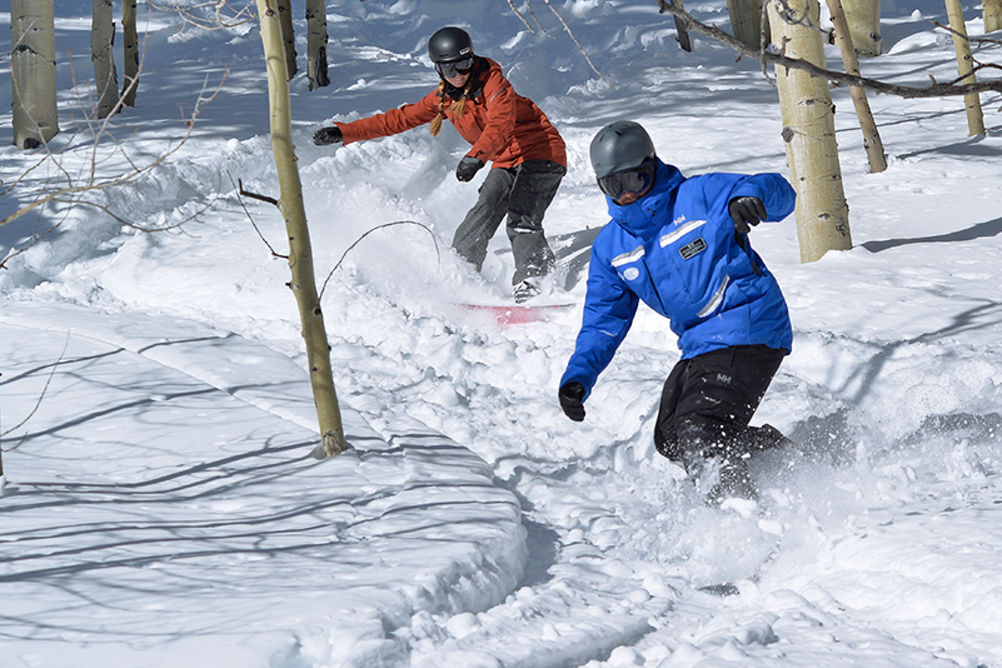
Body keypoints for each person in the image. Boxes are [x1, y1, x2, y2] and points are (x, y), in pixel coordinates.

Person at [557, 120, 797, 503]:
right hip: (700, 343)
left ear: (651, 167)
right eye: (614, 186)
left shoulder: (697, 196)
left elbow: (780, 191)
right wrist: (579, 375)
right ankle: (784, 456)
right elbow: (604, 320)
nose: (627, 194)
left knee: (700, 427)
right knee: (670, 436)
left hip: (749, 322)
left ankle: (736, 511)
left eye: (635, 180)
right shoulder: (611, 247)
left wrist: (751, 197)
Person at [313, 26, 567, 303]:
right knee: (480, 215)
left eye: (464, 64)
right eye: (449, 69)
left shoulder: (496, 86)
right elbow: (397, 119)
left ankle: (534, 278)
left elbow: (500, 124)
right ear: (438, 69)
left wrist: (477, 156)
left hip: (542, 152)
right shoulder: (445, 98)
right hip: (505, 159)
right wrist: (345, 132)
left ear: (473, 59)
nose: (458, 74)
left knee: (522, 215)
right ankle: (461, 277)